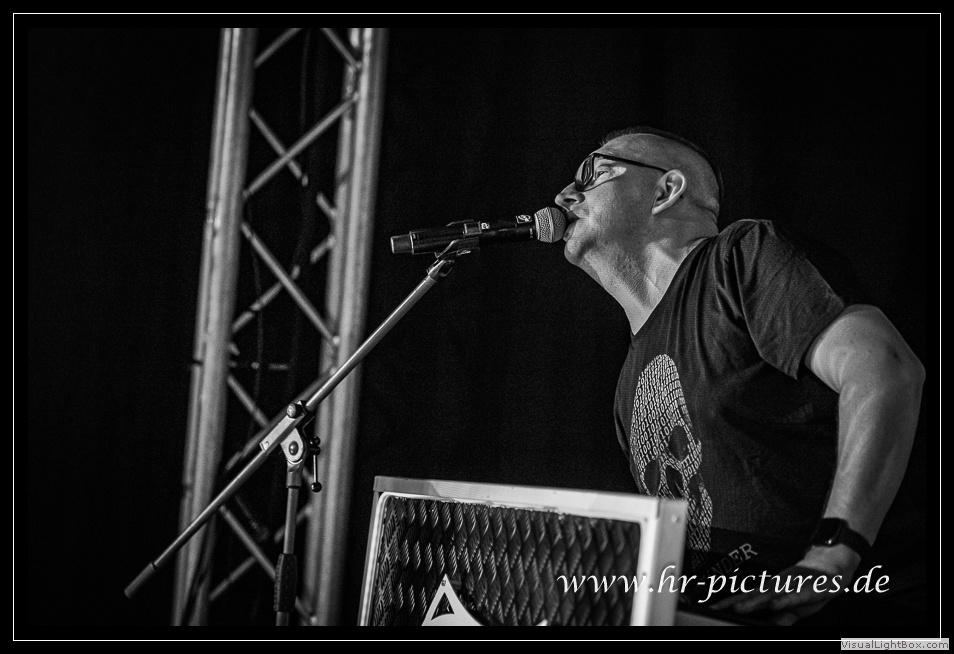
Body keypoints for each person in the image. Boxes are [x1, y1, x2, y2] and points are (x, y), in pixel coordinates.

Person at [554, 126, 926, 626]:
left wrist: (833, 553)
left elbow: (887, 370)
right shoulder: (627, 385)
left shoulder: (741, 257)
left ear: (666, 191)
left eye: (592, 174)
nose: (565, 195)